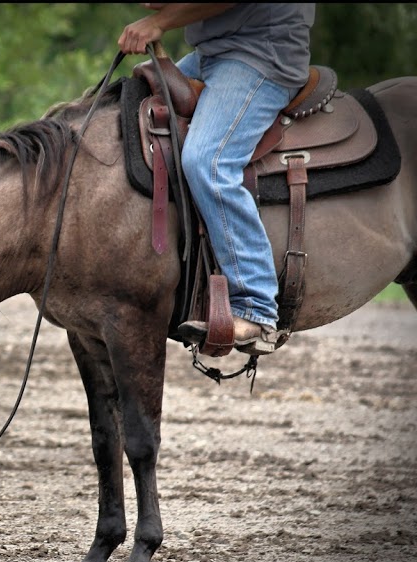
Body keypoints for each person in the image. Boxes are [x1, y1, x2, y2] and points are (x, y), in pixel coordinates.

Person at [118, 3, 316, 355]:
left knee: (207, 161)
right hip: (212, 54)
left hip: (262, 55)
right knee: (126, 114)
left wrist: (158, 22)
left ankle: (256, 307)